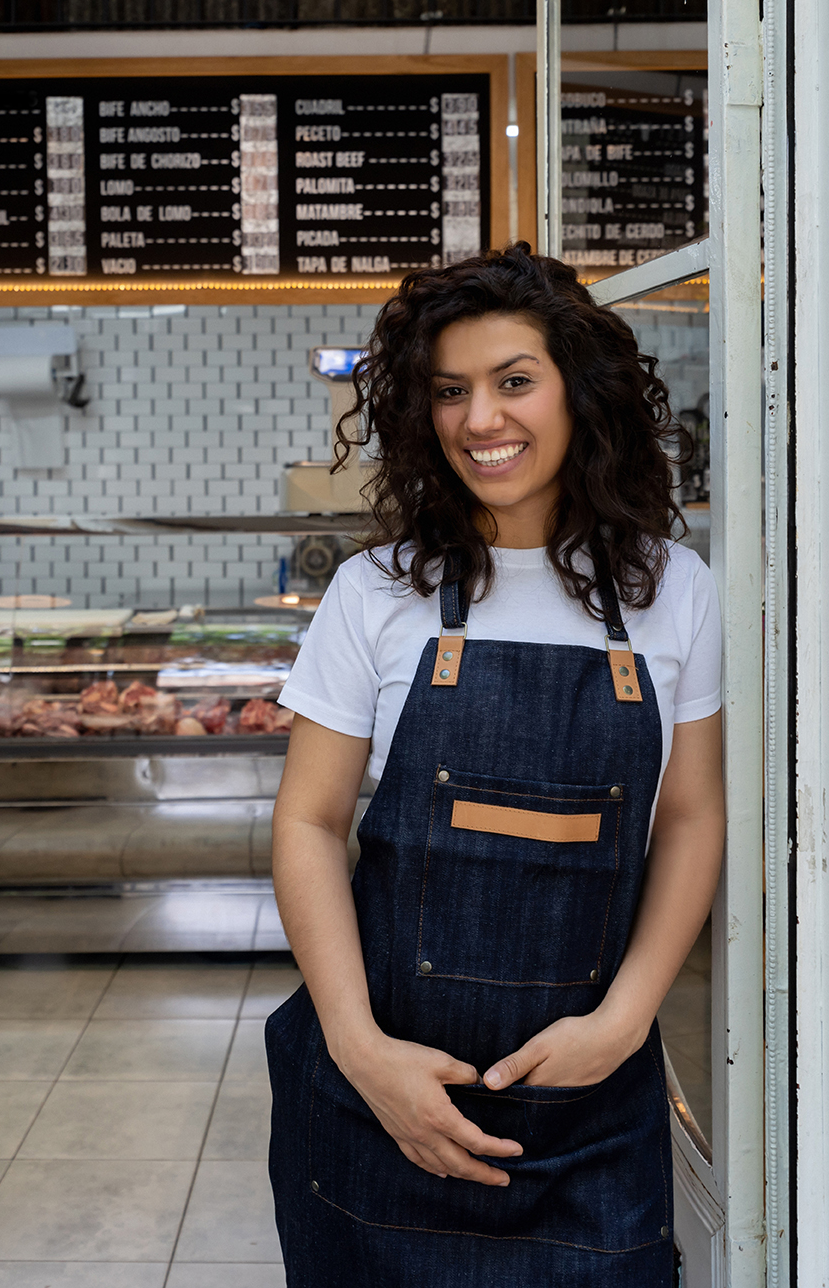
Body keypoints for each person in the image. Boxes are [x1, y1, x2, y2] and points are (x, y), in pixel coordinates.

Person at [265, 244, 726, 1284]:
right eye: (450, 391)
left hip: (588, 1109)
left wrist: (623, 1020)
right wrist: (357, 1046)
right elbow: (305, 822)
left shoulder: (672, 590)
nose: (481, 419)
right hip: (377, 1093)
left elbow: (692, 815)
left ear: (578, 392)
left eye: (513, 381)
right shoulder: (373, 592)